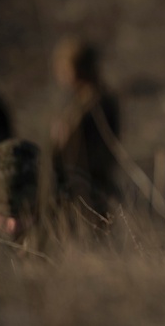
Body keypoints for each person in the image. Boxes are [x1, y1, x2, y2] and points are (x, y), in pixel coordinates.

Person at [49, 37, 121, 219]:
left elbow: (97, 150)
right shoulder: (78, 102)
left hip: (89, 185)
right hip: (75, 183)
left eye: (64, 67)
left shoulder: (98, 104)